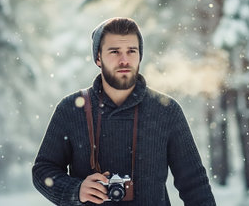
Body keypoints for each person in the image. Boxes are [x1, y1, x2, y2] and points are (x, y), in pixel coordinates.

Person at [32, 17, 216, 205]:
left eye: (131, 51)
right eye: (114, 52)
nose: (124, 60)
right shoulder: (71, 109)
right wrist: (75, 190)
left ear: (140, 55)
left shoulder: (166, 111)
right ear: (98, 57)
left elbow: (195, 185)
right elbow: (43, 170)